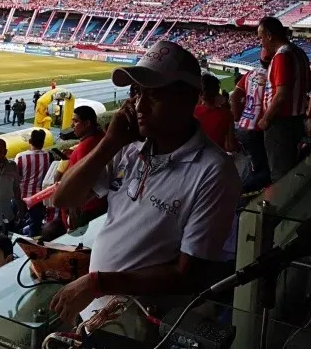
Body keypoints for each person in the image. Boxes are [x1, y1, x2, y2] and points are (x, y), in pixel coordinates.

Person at [50, 41, 241, 323]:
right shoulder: (127, 147)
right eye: (136, 93)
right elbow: (63, 199)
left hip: (143, 324)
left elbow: (187, 275)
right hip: (94, 309)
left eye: (154, 95)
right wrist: (109, 143)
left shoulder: (214, 172)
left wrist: (98, 283)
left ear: (189, 98)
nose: (139, 105)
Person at [256, 17, 311, 181]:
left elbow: (281, 94)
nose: (260, 42)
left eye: (261, 38)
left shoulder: (281, 56)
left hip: (280, 123)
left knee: (279, 172)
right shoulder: (299, 53)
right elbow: (306, 85)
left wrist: (266, 119)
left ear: (269, 35)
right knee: (291, 166)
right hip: (296, 120)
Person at [47, 106, 106, 241]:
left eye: (75, 121)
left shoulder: (86, 146)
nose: (72, 126)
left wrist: (73, 205)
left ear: (87, 123)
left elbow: (85, 178)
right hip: (94, 206)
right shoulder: (99, 137)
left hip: (84, 209)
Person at [231, 51, 272, 190]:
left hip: (244, 126)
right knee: (264, 169)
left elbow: (235, 96)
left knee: (253, 164)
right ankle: (245, 194)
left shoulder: (250, 74)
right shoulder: (272, 76)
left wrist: (238, 118)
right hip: (259, 128)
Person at [15, 130, 49, 237]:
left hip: (22, 198)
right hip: (39, 198)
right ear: (43, 143)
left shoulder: (21, 157)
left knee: (17, 223)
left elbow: (16, 178)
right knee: (35, 227)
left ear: (30, 141)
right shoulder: (47, 155)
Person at [194, 73, 235, 151]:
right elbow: (231, 146)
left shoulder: (193, 112)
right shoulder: (228, 115)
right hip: (217, 155)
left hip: (196, 155)